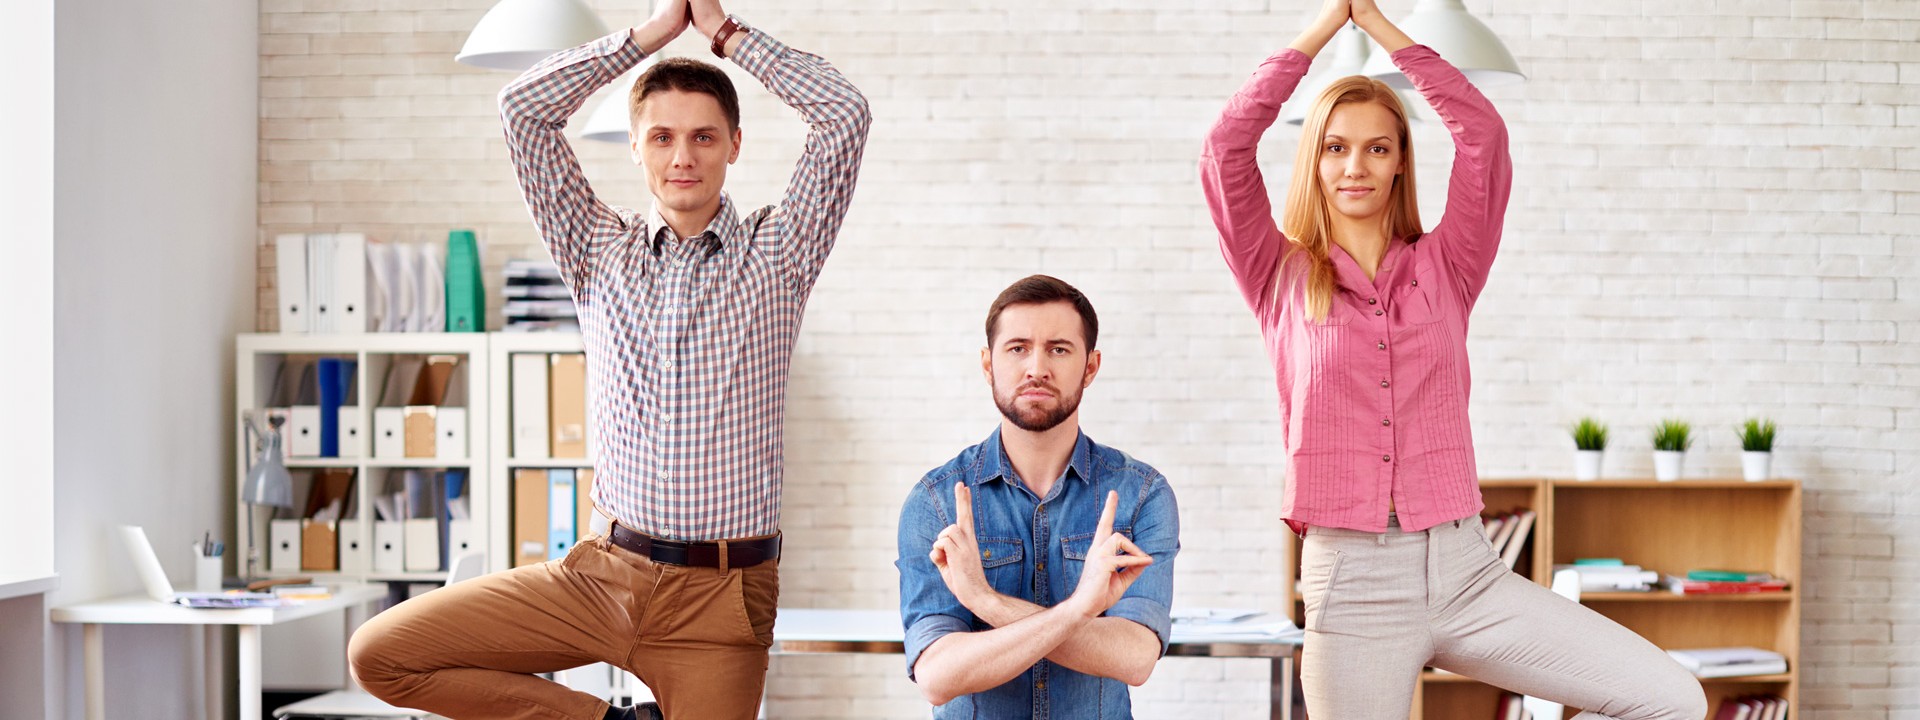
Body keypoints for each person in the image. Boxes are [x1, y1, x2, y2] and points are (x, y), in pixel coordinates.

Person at [347, 0, 871, 717]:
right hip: (599, 579)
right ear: (634, 147)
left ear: (735, 145)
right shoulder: (595, 249)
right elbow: (523, 111)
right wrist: (651, 34)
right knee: (380, 655)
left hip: (721, 606)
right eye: (661, 136)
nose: (682, 156)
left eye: (702, 137)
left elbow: (844, 114)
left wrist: (723, 32)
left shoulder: (780, 254)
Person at [1198, 1, 1706, 718]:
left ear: (1402, 160)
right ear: (1312, 159)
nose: (1356, 165)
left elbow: (1484, 139)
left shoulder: (1448, 264)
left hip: (1468, 570)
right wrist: (1323, 30)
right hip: (1352, 582)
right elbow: (1224, 148)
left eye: (1378, 146)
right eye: (1336, 146)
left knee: (1670, 698)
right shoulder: (1276, 274)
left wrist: (1378, 29)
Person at [894, 275, 1181, 719]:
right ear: (988, 365)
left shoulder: (1140, 494)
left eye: (1059, 349)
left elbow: (1135, 657)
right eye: (1018, 348)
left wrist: (986, 602)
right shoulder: (936, 501)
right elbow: (937, 675)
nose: (1037, 368)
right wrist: (1080, 612)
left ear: (1090, 366)